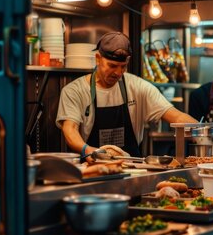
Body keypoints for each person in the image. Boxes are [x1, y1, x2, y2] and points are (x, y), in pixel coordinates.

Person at [56, 32, 197, 158]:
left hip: (132, 170)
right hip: (91, 170)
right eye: (112, 66)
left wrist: (206, 133)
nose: (118, 72)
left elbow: (176, 116)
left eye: (123, 66)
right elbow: (70, 129)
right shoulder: (75, 91)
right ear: (98, 58)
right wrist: (91, 152)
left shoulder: (138, 87)